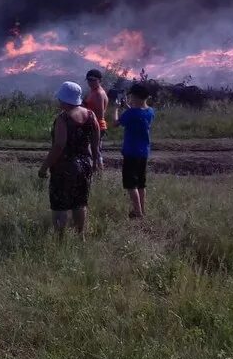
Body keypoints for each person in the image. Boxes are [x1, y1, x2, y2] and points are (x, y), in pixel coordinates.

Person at [39, 81, 101, 239]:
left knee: (60, 205)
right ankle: (81, 236)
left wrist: (44, 167)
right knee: (80, 202)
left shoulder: (63, 118)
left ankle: (60, 240)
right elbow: (96, 140)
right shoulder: (90, 115)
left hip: (64, 167)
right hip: (85, 165)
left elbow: (59, 145)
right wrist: (95, 159)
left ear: (64, 100)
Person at [112, 83, 155, 219]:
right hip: (144, 152)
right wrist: (128, 107)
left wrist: (116, 109)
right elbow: (138, 115)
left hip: (131, 153)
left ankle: (138, 213)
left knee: (131, 185)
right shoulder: (150, 112)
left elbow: (116, 123)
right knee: (141, 183)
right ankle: (142, 209)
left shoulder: (130, 114)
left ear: (135, 97)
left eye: (131, 96)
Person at [83, 69, 109, 152]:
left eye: (93, 80)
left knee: (94, 152)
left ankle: (97, 165)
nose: (90, 82)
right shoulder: (93, 91)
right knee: (93, 151)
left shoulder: (99, 93)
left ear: (99, 80)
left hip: (96, 125)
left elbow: (100, 115)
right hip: (93, 124)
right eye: (88, 80)